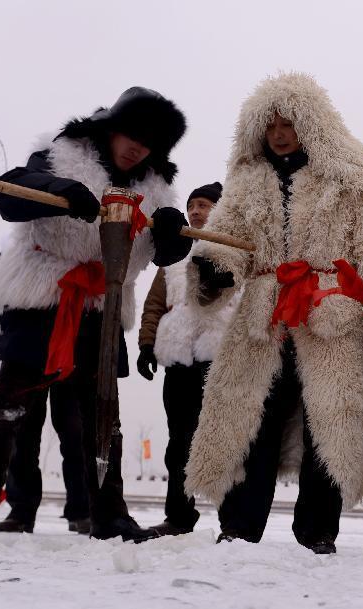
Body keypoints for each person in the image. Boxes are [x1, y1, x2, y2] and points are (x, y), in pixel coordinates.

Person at [182, 73, 363, 555]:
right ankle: (239, 526)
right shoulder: (247, 181)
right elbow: (228, 237)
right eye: (269, 125)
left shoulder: (350, 176)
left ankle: (318, 531)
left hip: (332, 313)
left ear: (312, 123)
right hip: (265, 315)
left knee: (328, 422)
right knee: (252, 418)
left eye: (288, 123)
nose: (278, 133)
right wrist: (216, 269)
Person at [0, 87, 193, 544]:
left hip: (103, 306)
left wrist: (172, 232)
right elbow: (10, 194)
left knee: (101, 420)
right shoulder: (61, 155)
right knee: (9, 410)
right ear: (111, 128)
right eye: (132, 134)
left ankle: (108, 516)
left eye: (150, 142)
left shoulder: (157, 189)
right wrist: (59, 191)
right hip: (44, 297)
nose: (137, 147)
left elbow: (165, 253)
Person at [136, 181, 238, 536]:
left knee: (224, 440)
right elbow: (154, 305)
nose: (195, 211)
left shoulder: (235, 250)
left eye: (204, 205)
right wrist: (147, 345)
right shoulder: (173, 257)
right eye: (192, 205)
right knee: (178, 442)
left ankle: (233, 522)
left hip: (219, 359)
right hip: (178, 360)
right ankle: (178, 516)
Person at [0, 265, 90, 535]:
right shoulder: (11, 254)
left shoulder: (81, 247)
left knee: (76, 432)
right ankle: (21, 509)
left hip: (73, 346)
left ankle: (83, 509)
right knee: (23, 434)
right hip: (28, 346)